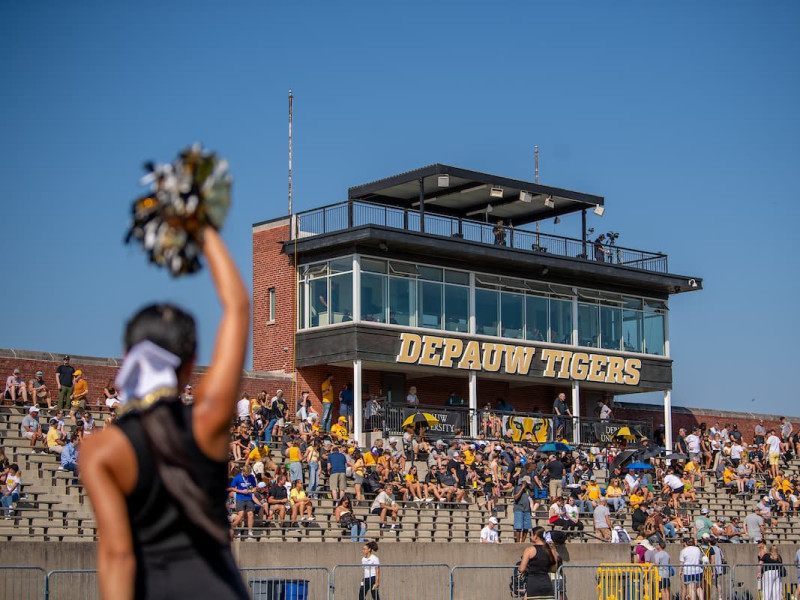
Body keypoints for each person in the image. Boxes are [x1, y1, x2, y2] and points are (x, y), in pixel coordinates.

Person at [79, 227, 250, 600]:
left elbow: (117, 556)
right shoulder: (207, 421)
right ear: (189, 365)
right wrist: (201, 226)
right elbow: (237, 306)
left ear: (127, 359)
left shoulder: (101, 450)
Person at [518, 526, 559, 600]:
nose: (530, 537)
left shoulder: (529, 550)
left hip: (533, 585)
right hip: (547, 586)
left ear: (535, 536)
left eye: (531, 535)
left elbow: (522, 569)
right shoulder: (550, 550)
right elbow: (553, 569)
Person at [229, 465, 257, 538]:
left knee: (250, 514)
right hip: (240, 498)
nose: (247, 475)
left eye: (248, 474)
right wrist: (241, 491)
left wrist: (251, 490)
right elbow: (232, 488)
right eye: (246, 474)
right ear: (243, 471)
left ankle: (250, 531)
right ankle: (234, 528)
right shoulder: (237, 477)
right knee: (240, 515)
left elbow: (254, 487)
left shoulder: (251, 477)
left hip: (249, 497)